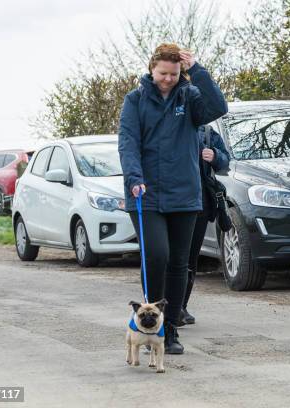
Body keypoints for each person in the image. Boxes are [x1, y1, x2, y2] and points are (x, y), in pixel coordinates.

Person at [118, 43, 228, 354]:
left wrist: (198, 71)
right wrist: (134, 179)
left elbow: (218, 107)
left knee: (180, 263)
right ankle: (149, 322)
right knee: (157, 256)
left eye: (174, 73)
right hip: (146, 194)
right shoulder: (135, 100)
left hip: (184, 192)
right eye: (163, 73)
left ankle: (170, 328)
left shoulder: (190, 96)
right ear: (152, 70)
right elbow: (128, 142)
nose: (168, 79)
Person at [180, 126, 230, 325]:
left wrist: (215, 155)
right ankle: (170, 306)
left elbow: (225, 162)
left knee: (190, 257)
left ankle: (181, 305)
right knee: (173, 257)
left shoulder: (207, 133)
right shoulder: (170, 127)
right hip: (174, 203)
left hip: (200, 204)